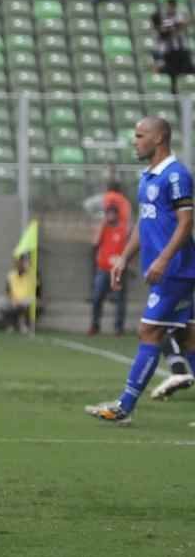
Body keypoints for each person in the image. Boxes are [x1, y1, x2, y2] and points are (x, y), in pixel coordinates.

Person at [86, 117, 195, 424]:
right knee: (188, 338)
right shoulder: (148, 177)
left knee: (148, 331)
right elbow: (144, 224)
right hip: (170, 270)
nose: (134, 141)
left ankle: (124, 407)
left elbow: (187, 223)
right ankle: (124, 407)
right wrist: (123, 257)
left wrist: (163, 259)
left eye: (139, 135)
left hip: (176, 270)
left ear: (159, 138)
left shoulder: (176, 176)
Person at [90, 204, 130, 336]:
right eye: (108, 213)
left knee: (119, 299)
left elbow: (129, 247)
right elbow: (95, 243)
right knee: (96, 297)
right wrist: (101, 226)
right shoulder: (103, 228)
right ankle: (95, 325)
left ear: (117, 215)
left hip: (118, 270)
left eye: (112, 213)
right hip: (103, 269)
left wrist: (121, 260)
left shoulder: (123, 229)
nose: (110, 216)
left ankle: (119, 328)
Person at [151, 10, 193, 95]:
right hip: (172, 58)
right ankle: (175, 93)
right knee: (173, 77)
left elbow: (177, 26)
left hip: (179, 56)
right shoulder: (161, 33)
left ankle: (176, 91)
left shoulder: (167, 27)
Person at [0, 253, 33, 334]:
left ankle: (23, 325)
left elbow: (34, 291)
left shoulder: (31, 274)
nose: (22, 264)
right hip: (14, 299)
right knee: (0, 302)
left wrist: (20, 300)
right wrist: (13, 299)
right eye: (20, 262)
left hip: (27, 298)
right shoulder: (11, 275)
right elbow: (7, 291)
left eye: (25, 262)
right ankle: (10, 325)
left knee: (26, 302)